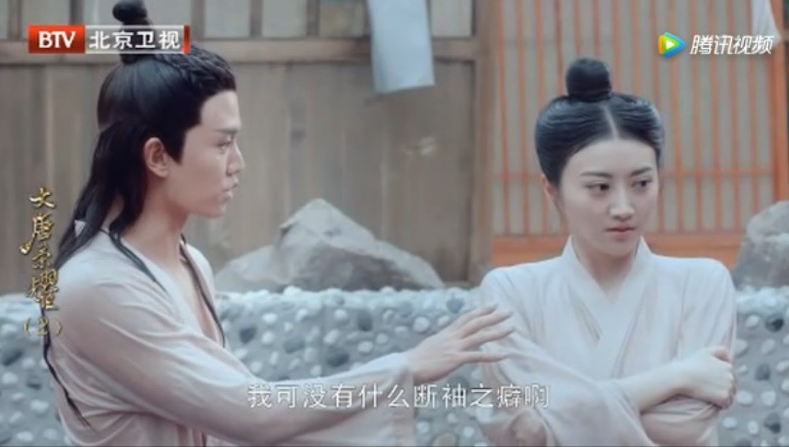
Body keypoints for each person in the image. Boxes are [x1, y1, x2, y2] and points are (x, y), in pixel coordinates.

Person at [42, 1, 513, 445]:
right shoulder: (96, 286)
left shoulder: (190, 262)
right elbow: (249, 411)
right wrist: (405, 367)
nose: (238, 163)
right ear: (158, 156)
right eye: (222, 144)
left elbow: (237, 412)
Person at [475, 58, 738, 446]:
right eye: (599, 187)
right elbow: (522, 428)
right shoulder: (511, 292)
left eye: (641, 183)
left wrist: (562, 416)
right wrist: (676, 376)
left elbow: (686, 425)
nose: (623, 207)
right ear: (552, 189)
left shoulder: (702, 283)